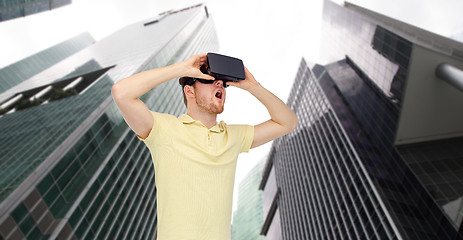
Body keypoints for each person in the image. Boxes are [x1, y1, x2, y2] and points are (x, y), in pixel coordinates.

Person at [111, 53, 298, 240]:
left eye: (222, 83)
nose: (219, 85)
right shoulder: (164, 129)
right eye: (209, 80)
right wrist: (181, 69)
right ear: (189, 91)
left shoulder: (233, 136)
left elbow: (287, 122)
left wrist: (253, 87)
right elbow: (121, 93)